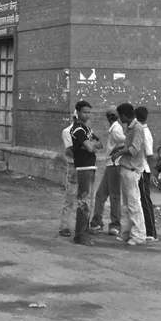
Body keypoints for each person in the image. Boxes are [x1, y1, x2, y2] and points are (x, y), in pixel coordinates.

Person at [112, 102, 146, 246]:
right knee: (126, 204)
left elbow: (134, 149)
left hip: (132, 169)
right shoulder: (130, 128)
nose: (119, 119)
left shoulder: (137, 128)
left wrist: (119, 153)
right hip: (126, 168)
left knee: (133, 204)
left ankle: (139, 235)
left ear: (124, 115)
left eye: (120, 116)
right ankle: (126, 232)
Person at [70, 100, 100, 246]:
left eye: (89, 112)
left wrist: (92, 144)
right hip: (83, 168)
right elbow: (89, 147)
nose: (87, 115)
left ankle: (81, 235)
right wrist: (91, 145)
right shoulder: (78, 130)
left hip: (90, 167)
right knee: (84, 203)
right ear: (78, 112)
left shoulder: (87, 129)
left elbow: (99, 143)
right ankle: (82, 236)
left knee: (88, 202)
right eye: (84, 112)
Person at [90, 105, 123, 236]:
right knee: (100, 195)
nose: (111, 117)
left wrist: (116, 150)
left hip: (115, 164)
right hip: (110, 164)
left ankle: (115, 224)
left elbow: (125, 142)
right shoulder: (114, 128)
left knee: (114, 196)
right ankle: (97, 222)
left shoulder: (116, 128)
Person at [135, 105, 157, 242]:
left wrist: (152, 172)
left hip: (144, 170)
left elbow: (149, 154)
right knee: (141, 199)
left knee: (145, 200)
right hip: (141, 169)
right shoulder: (141, 131)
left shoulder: (144, 132)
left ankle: (151, 231)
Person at [57, 109, 76, 237]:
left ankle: (81, 224)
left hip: (84, 166)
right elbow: (69, 151)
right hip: (74, 165)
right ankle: (64, 225)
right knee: (70, 196)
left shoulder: (86, 130)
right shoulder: (67, 131)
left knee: (84, 197)